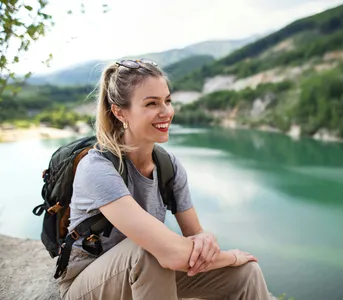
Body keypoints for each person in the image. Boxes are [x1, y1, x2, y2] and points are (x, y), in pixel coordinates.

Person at [58, 58, 271, 300]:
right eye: (151, 103)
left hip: (144, 274)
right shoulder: (97, 168)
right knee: (151, 252)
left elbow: (194, 234)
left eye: (167, 100)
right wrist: (230, 256)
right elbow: (169, 253)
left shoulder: (169, 166)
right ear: (119, 112)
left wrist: (204, 238)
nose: (166, 112)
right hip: (87, 283)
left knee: (245, 272)